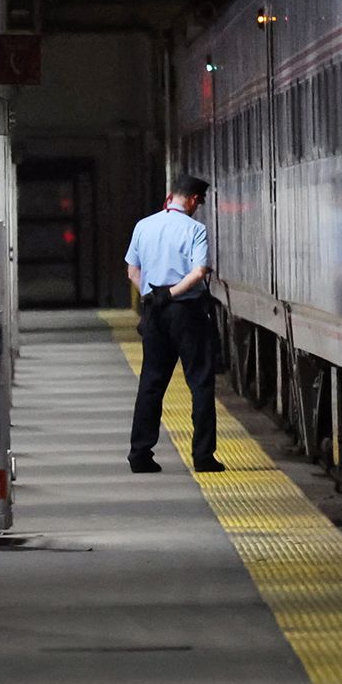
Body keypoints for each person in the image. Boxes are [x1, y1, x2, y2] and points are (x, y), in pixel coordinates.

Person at [124, 173, 225, 474]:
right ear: (194, 200)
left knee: (151, 383)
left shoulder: (144, 225)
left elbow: (132, 271)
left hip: (153, 312)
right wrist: (171, 294)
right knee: (200, 382)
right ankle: (203, 457)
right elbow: (199, 272)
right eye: (199, 203)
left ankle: (140, 455)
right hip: (187, 311)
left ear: (171, 196)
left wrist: (153, 296)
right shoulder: (195, 229)